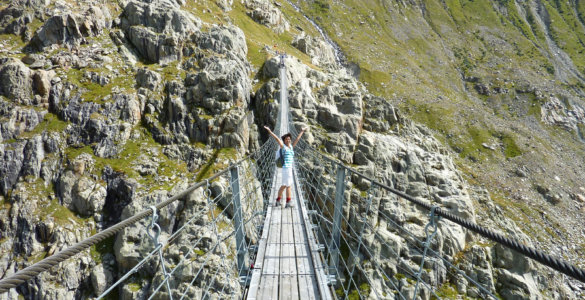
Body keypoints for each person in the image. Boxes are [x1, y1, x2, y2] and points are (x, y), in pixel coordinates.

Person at [264, 125, 307, 208]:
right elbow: (277, 139)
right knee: (288, 185)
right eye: (286, 139)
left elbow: (297, 139)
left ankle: (277, 200)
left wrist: (302, 131)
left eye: (289, 139)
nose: (288, 140)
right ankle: (288, 202)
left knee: (284, 185)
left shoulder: (291, 147)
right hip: (286, 168)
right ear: (284, 140)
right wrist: (270, 131)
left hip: (289, 169)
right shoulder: (283, 147)